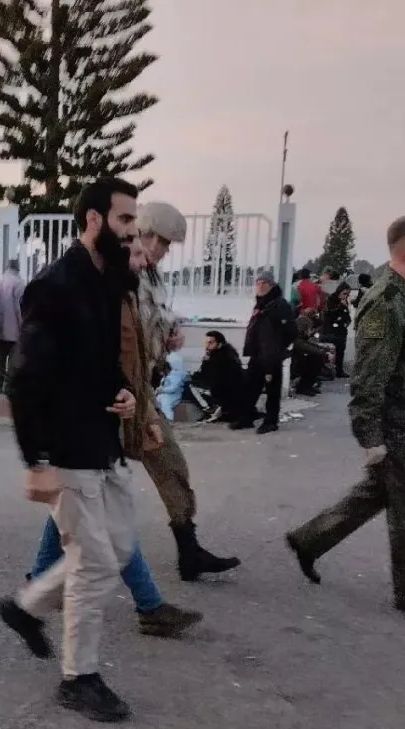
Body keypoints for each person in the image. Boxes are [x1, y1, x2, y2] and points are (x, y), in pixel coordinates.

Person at [0, 178, 144, 722]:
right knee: (96, 563)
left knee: (119, 549)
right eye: (124, 220)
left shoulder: (108, 281)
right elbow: (23, 380)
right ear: (93, 220)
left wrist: (124, 394)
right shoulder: (54, 286)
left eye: (133, 221)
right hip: (67, 450)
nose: (132, 232)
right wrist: (36, 461)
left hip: (104, 442)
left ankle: (25, 607)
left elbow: (99, 360)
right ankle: (78, 678)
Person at [22, 239, 202, 640]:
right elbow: (40, 370)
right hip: (87, 428)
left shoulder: (119, 295)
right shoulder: (80, 294)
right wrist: (38, 455)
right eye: (137, 253)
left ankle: (34, 594)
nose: (146, 261)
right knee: (107, 526)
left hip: (109, 420)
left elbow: (128, 366)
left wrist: (142, 407)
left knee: (84, 514)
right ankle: (144, 607)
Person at [285, 215, 405, 625]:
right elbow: (368, 377)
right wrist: (370, 437)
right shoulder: (385, 302)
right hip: (394, 421)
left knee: (379, 492)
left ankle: (309, 539)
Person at [131, 201, 241, 578]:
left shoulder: (152, 277)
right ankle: (46, 572)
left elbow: (152, 326)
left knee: (165, 466)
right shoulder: (126, 275)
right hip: (125, 391)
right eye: (163, 242)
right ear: (146, 233)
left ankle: (189, 551)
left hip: (140, 388)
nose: (165, 251)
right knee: (91, 483)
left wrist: (170, 335)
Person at [232, 271, 296, 435]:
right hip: (257, 354)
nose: (260, 286)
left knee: (272, 389)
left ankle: (271, 421)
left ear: (271, 285)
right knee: (251, 386)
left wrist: (278, 348)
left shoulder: (280, 305)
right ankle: (246, 417)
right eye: (258, 283)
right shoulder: (261, 304)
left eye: (264, 283)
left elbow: (291, 330)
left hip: (271, 356)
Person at [0, 258, 24, 385]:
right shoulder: (19, 283)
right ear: (17, 268)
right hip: (15, 333)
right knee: (14, 365)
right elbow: (20, 309)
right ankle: (9, 389)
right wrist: (23, 327)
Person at [321, 283, 352, 377]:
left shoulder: (344, 301)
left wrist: (347, 321)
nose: (346, 296)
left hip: (341, 329)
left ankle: (339, 370)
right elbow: (329, 314)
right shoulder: (331, 299)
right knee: (329, 350)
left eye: (347, 294)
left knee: (341, 350)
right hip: (331, 329)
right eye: (344, 293)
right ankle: (327, 370)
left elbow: (346, 314)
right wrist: (341, 306)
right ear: (340, 291)